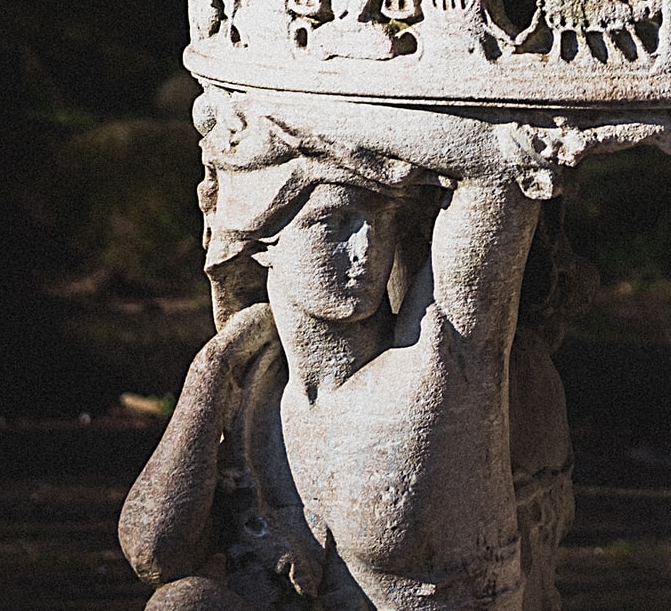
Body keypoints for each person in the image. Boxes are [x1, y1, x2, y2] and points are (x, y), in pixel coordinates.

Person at [121, 157, 542, 611]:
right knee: (182, 603)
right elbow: (154, 554)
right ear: (262, 241)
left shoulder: (436, 361)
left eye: (380, 224)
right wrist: (211, 368)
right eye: (334, 223)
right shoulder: (258, 393)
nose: (365, 248)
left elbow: (499, 168)